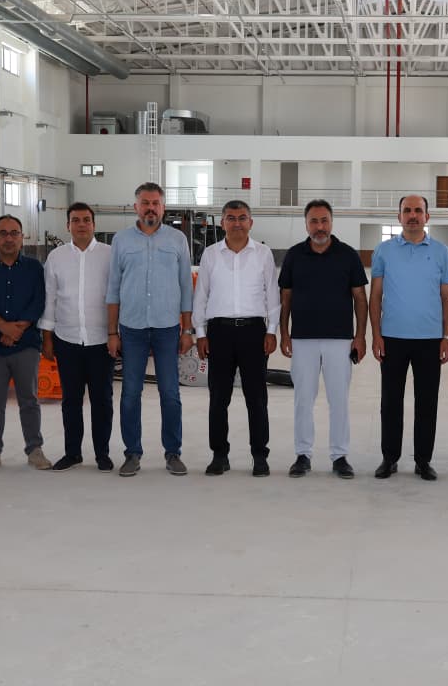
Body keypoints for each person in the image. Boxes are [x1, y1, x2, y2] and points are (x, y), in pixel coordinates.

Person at [106, 182, 194, 477]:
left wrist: (187, 330)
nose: (150, 208)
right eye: (145, 203)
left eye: (156, 203)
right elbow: (113, 288)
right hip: (131, 328)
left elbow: (186, 287)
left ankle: (173, 452)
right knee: (130, 393)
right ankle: (132, 453)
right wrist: (112, 332)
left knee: (170, 393)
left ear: (163, 208)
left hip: (168, 328)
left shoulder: (177, 240)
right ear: (136, 207)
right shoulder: (121, 240)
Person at [278, 199, 367, 479]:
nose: (320, 227)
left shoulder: (348, 255)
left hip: (340, 340)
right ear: (306, 224)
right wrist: (284, 333)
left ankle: (340, 456)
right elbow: (285, 298)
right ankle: (302, 454)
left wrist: (360, 336)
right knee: (303, 400)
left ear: (331, 222)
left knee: (338, 400)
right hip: (303, 339)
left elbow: (360, 298)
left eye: (324, 220)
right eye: (314, 221)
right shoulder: (294, 255)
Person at [194, 200, 280, 477]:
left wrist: (271, 330)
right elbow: (201, 296)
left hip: (254, 332)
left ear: (250, 222)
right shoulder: (210, 255)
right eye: (230, 218)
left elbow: (273, 294)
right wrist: (200, 333)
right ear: (222, 223)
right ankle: (219, 455)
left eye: (242, 217)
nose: (237, 223)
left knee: (257, 398)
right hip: (218, 333)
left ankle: (260, 456)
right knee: (219, 398)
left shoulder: (263, 254)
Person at [370, 194, 448, 480]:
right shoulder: (384, 251)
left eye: (418, 210)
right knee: (390, 402)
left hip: (430, 340)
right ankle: (389, 458)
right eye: (407, 210)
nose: (413, 215)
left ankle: (423, 460)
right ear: (399, 216)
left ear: (427, 217)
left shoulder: (441, 252)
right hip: (392, 338)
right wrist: (376, 335)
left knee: (426, 402)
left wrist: (447, 337)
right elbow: (375, 295)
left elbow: (447, 297)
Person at [0, 215, 51, 472]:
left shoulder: (35, 268)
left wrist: (17, 329)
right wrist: (4, 328)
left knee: (29, 400)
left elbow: (39, 301)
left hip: (26, 345)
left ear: (22, 237)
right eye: (3, 233)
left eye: (14, 233)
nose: (8, 238)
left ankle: (35, 450)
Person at [39, 202, 115, 472]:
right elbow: (49, 298)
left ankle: (102, 453)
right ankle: (72, 453)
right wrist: (47, 337)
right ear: (68, 225)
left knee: (102, 401)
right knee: (71, 401)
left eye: (86, 220)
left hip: (101, 341)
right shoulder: (56, 257)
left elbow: (117, 297)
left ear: (94, 224)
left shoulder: (109, 255)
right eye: (76, 220)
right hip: (67, 339)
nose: (81, 224)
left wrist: (116, 334)